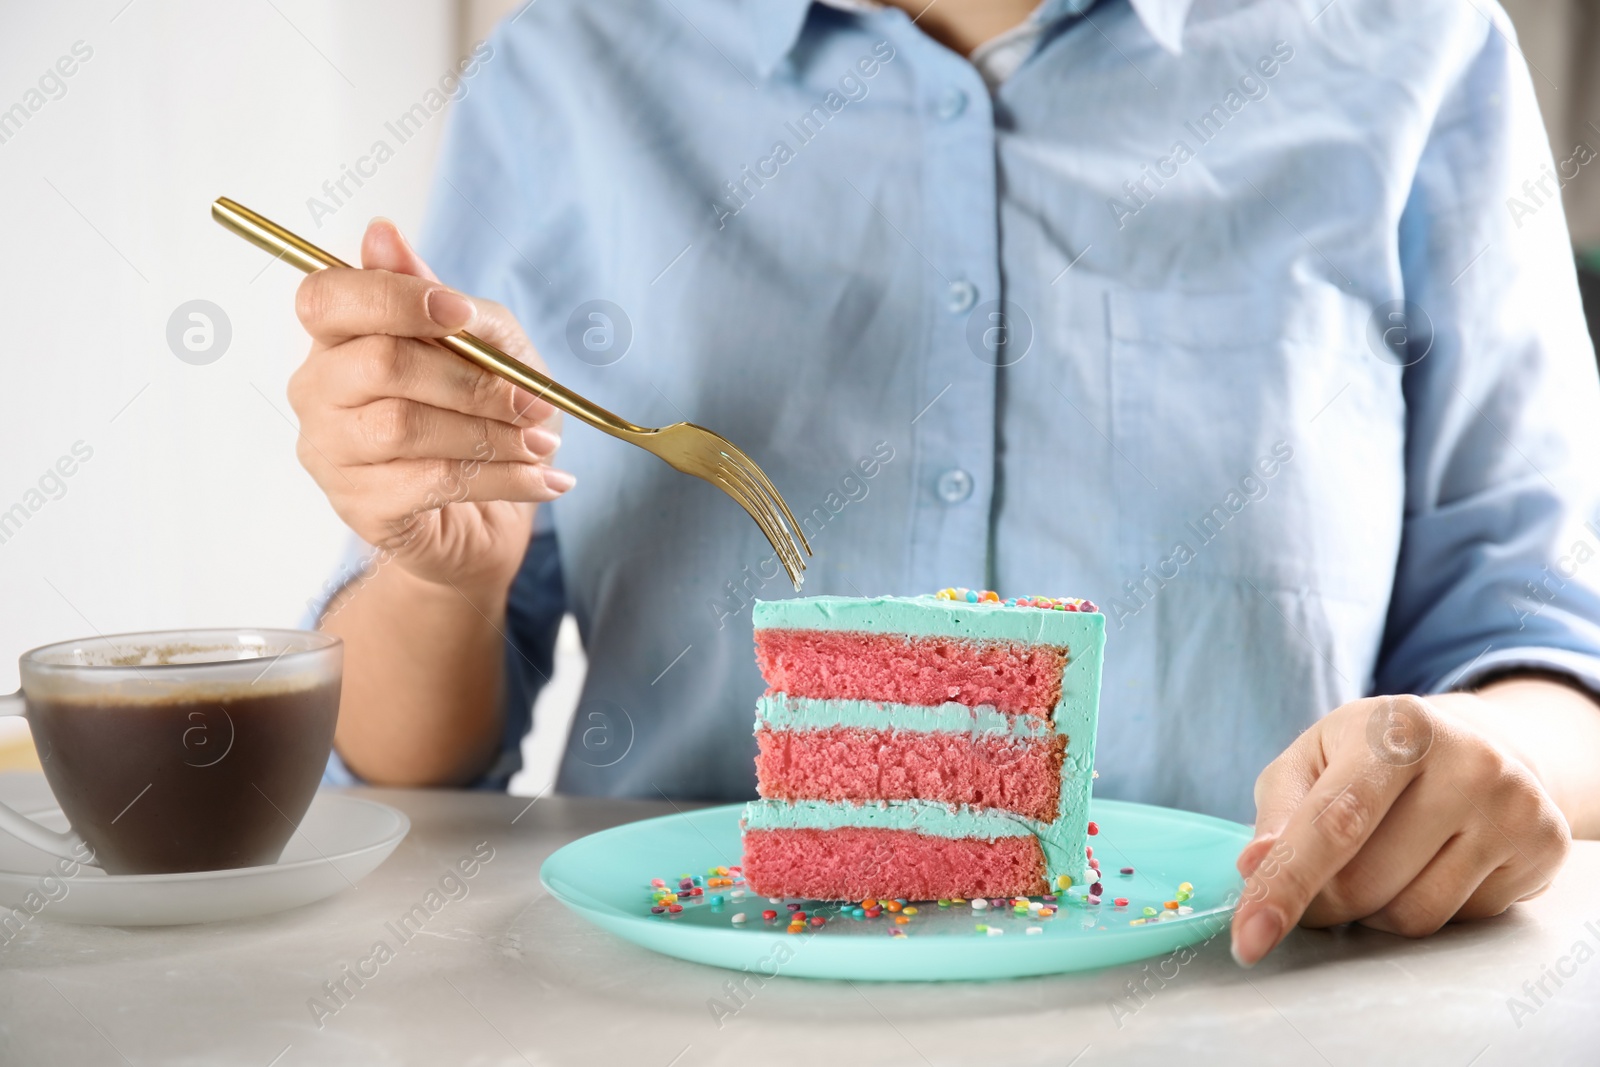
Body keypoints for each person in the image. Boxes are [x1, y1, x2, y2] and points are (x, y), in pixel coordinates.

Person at [285, 0, 1600, 968]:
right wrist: (439, 572)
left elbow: (1548, 654)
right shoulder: (570, 65)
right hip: (677, 1018)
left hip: (1254, 1001)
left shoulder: (1415, 48)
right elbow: (415, 762)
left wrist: (1478, 764)